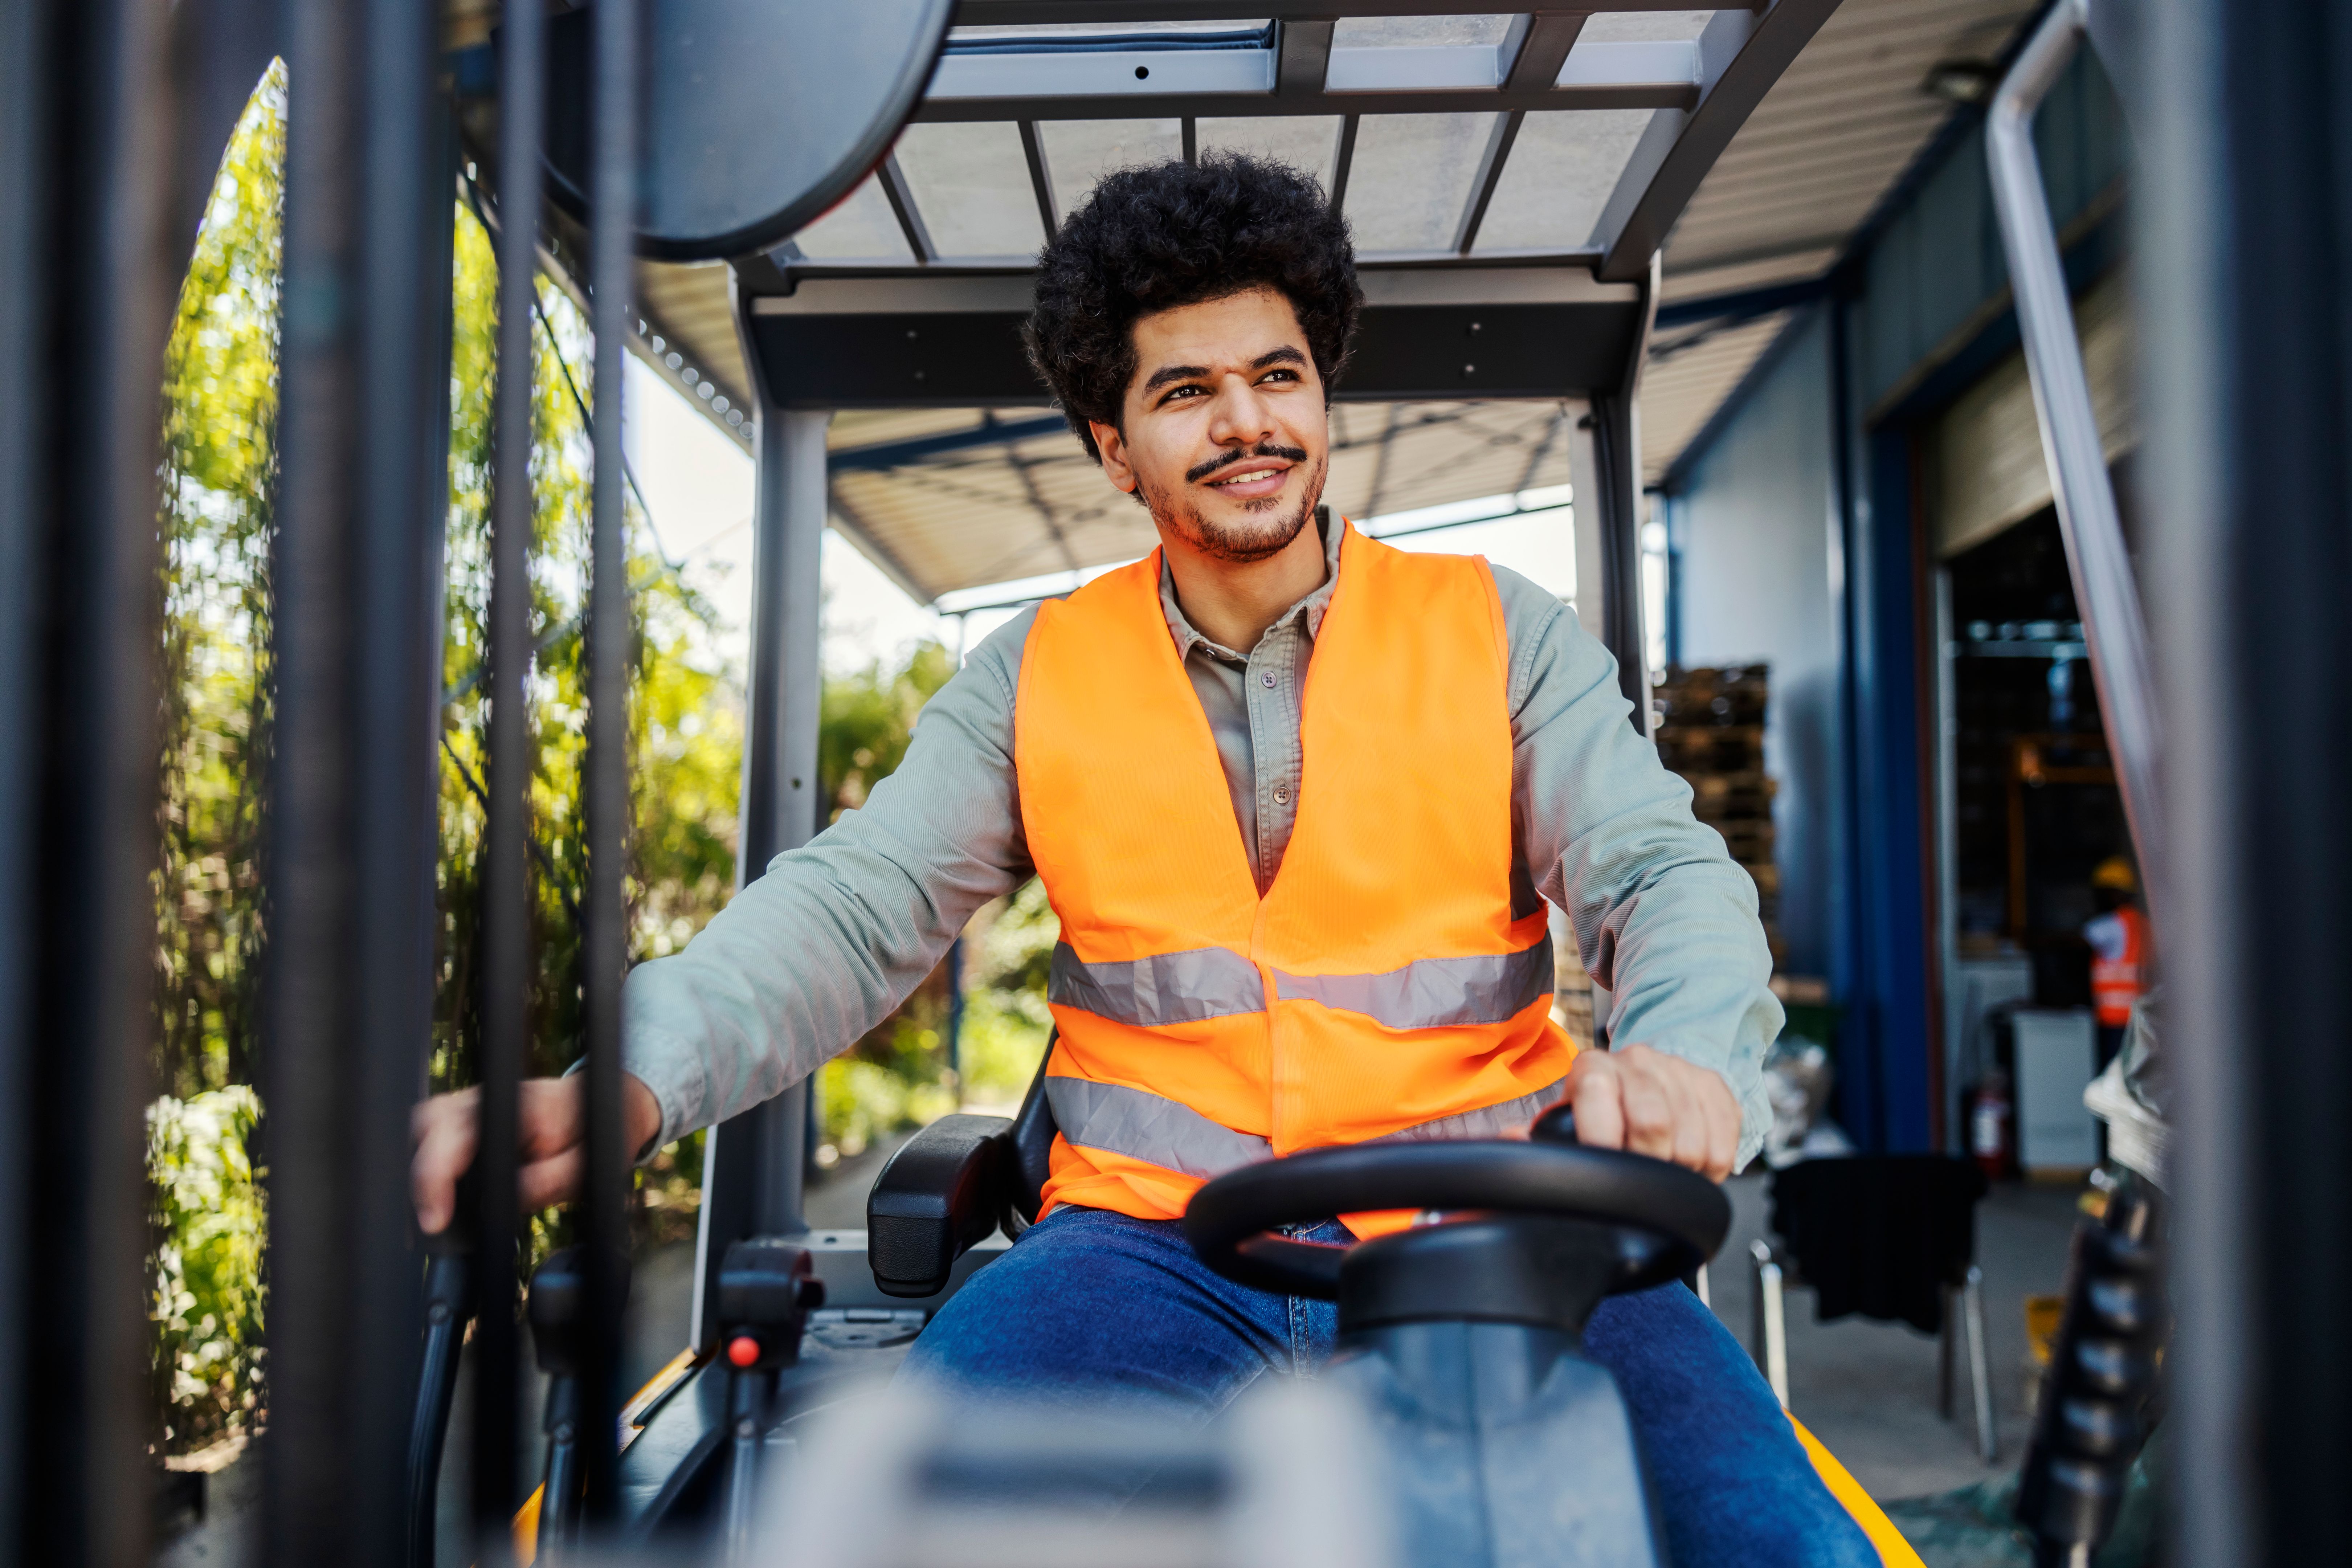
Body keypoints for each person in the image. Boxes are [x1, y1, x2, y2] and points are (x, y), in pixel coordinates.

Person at [411, 154, 1878, 1565]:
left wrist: (1687, 1056)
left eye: (1278, 376)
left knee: (1776, 1543)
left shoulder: (1499, 633)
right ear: (1115, 446)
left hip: (1496, 1239)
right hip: (1140, 1259)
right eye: (1188, 392)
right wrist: (638, 1074)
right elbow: (854, 912)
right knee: (888, 1530)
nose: (1248, 422)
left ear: (1321, 394)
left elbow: (1659, 872)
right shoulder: (1034, 673)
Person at [2083, 856, 2149, 1069]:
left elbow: (2088, 934)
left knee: (2113, 1081)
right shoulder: (2145, 925)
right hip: (2144, 1018)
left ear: (2114, 892)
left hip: (2116, 1020)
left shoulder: (2108, 927)